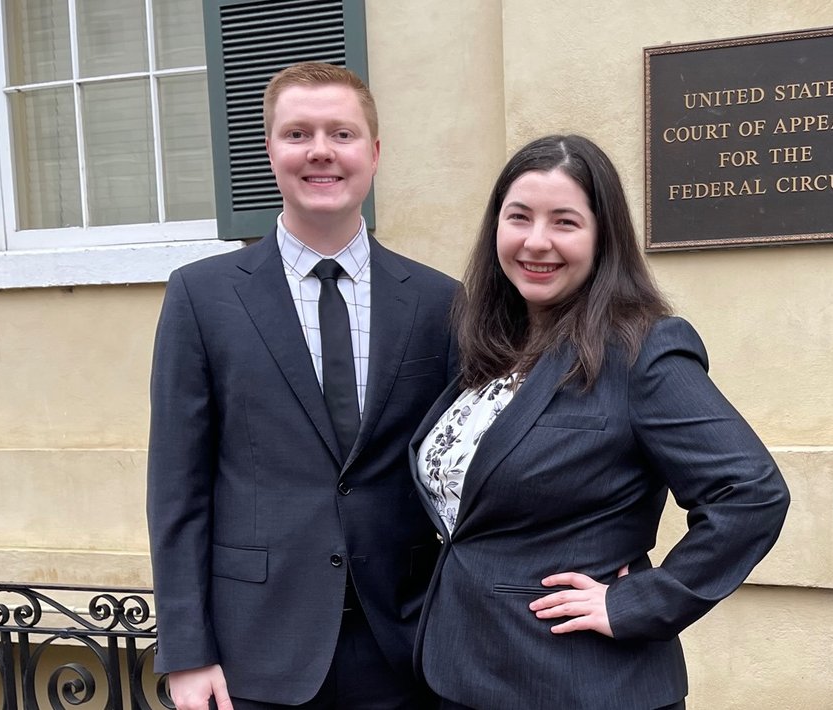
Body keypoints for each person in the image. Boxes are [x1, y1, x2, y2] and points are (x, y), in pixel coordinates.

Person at [410, 135, 790, 710]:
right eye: (519, 218)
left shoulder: (642, 350)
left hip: (581, 684)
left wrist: (640, 601)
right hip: (462, 674)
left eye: (565, 221)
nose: (537, 241)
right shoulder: (488, 350)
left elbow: (751, 494)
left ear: (602, 236)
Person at [147, 62, 456, 709]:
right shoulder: (201, 298)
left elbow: (472, 471)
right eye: (298, 134)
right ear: (270, 151)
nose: (321, 150)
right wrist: (187, 651)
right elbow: (178, 492)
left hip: (403, 649)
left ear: (373, 154)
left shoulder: (439, 302)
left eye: (341, 134)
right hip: (251, 655)